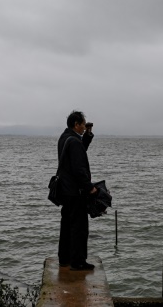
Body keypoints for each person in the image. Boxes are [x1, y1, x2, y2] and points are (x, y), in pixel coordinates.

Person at [57, 110, 97, 271]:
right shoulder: (74, 142)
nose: (83, 127)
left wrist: (87, 135)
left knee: (66, 225)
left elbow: (78, 152)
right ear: (76, 124)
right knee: (79, 227)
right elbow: (79, 168)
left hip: (65, 191)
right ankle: (78, 261)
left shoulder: (65, 138)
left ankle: (64, 258)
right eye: (82, 125)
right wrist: (90, 188)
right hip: (75, 192)